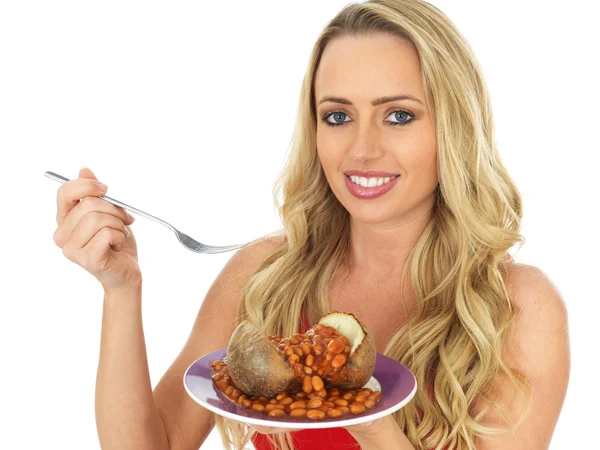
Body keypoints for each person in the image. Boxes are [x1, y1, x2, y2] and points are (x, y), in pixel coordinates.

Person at [52, 0, 570, 449]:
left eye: (399, 116)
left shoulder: (517, 305)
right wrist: (121, 290)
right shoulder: (263, 273)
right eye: (338, 116)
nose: (362, 150)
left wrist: (359, 412)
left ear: (453, 127)